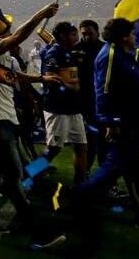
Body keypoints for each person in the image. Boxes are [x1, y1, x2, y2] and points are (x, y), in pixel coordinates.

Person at [0, 2, 65, 250]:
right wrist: (41, 13)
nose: (13, 32)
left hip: (2, 120)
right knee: (13, 177)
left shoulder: (6, 58)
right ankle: (38, 233)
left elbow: (17, 76)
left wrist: (42, 78)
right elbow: (20, 36)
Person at [74, 18, 139, 240]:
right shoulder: (110, 55)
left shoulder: (124, 54)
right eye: (132, 33)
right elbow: (103, 90)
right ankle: (79, 198)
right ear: (124, 36)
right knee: (115, 170)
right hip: (121, 125)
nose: (135, 36)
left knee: (133, 172)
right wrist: (111, 122)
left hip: (131, 122)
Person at [40, 22, 89, 185]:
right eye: (73, 34)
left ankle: (80, 184)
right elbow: (50, 78)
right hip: (57, 108)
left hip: (73, 107)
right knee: (53, 149)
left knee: (81, 146)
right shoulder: (54, 52)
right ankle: (28, 177)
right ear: (62, 36)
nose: (76, 38)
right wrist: (71, 87)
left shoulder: (70, 51)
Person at [75, 19, 105, 174]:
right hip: (68, 108)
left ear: (97, 32)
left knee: (94, 141)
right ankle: (31, 174)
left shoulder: (104, 49)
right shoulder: (71, 51)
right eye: (83, 34)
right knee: (55, 148)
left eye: (89, 33)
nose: (86, 37)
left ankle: (85, 176)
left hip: (93, 102)